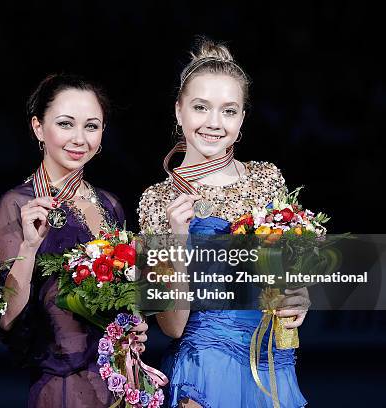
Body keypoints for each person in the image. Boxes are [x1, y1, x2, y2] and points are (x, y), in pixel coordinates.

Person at [138, 39, 309, 408]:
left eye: (228, 111)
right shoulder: (157, 200)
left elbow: (289, 279)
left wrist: (300, 297)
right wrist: (175, 241)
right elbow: (172, 327)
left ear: (242, 118)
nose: (214, 123)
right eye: (201, 107)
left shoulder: (267, 180)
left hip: (272, 363)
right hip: (205, 367)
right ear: (179, 111)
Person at [0, 73, 149, 407]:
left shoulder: (110, 204)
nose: (79, 138)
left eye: (91, 126)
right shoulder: (17, 204)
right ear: (38, 128)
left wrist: (135, 323)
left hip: (117, 379)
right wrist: (29, 249)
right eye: (65, 124)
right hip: (61, 385)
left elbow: (123, 291)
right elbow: (4, 316)